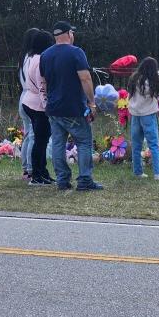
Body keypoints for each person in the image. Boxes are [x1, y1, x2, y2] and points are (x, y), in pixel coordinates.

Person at [39, 21, 103, 191]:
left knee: (58, 144)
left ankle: (62, 180)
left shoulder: (45, 55)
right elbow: (85, 78)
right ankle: (84, 180)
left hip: (53, 109)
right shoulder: (76, 53)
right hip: (73, 108)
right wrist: (92, 102)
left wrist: (48, 101)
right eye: (72, 33)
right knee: (83, 142)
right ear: (68, 34)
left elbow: (44, 83)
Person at [20, 29, 56, 186]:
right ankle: (36, 175)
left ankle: (42, 172)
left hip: (29, 101)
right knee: (40, 141)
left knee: (40, 139)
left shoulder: (31, 57)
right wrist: (47, 105)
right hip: (38, 105)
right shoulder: (41, 60)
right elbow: (42, 85)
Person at [127, 57, 159, 180]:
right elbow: (157, 95)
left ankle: (138, 172)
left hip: (135, 114)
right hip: (148, 114)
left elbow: (130, 94)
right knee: (154, 145)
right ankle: (157, 173)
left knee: (136, 145)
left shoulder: (134, 79)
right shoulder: (154, 80)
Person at [17, 28, 39, 181]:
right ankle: (31, 169)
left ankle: (26, 167)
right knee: (32, 135)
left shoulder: (23, 57)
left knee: (27, 134)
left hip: (23, 96)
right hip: (32, 96)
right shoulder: (34, 58)